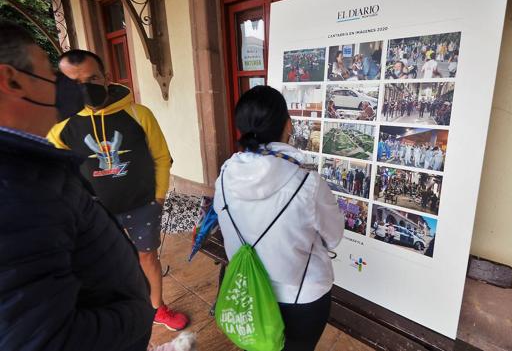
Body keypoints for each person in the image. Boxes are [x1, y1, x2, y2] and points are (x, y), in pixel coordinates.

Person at [0, 22, 154, 350]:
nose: (69, 89)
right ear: (12, 80)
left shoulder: (27, 168)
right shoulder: (14, 190)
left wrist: (157, 195)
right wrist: (138, 314)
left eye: (90, 79)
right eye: (52, 73)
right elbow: (46, 338)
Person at [47, 49, 189, 331]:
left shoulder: (138, 114)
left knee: (147, 257)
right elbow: (55, 170)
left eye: (92, 78)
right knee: (103, 265)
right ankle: (119, 313)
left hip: (141, 206)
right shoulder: (62, 127)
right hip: (94, 213)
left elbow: (161, 156)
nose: (85, 88)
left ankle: (156, 308)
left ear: (107, 77)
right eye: (75, 83)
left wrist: (158, 198)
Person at [214, 85, 343, 350]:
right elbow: (334, 237)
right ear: (288, 124)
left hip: (246, 291)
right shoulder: (308, 182)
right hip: (302, 299)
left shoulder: (225, 176)